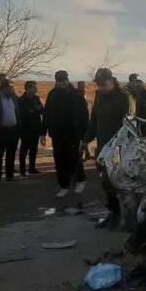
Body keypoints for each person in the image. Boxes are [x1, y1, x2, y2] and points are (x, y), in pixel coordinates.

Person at [84, 68, 129, 229]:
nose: (101, 87)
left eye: (103, 84)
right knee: (105, 182)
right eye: (98, 84)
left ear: (112, 80)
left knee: (116, 182)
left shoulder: (122, 96)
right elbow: (94, 120)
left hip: (117, 148)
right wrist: (86, 140)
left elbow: (127, 125)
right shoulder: (99, 96)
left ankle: (123, 217)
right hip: (102, 147)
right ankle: (112, 213)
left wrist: (120, 145)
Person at [44, 70, 89, 198]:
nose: (62, 83)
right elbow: (47, 114)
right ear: (56, 81)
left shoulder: (76, 94)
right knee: (59, 159)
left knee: (74, 158)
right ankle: (63, 186)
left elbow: (84, 115)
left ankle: (80, 180)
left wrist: (85, 134)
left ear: (67, 80)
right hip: (57, 133)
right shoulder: (52, 95)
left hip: (73, 133)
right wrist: (43, 132)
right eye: (59, 81)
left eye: (64, 80)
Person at [0, 79, 21, 181]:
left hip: (13, 131)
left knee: (11, 153)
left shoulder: (14, 98)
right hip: (0, 131)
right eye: (11, 88)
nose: (13, 90)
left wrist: (19, 127)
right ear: (4, 88)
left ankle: (10, 175)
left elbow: (17, 114)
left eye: (13, 88)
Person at [18, 81, 45, 176]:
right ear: (28, 88)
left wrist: (33, 109)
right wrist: (34, 109)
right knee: (24, 150)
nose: (36, 89)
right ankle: (22, 169)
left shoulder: (36, 98)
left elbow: (42, 110)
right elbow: (23, 113)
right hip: (25, 129)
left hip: (35, 128)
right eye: (34, 88)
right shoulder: (21, 100)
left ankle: (32, 168)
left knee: (34, 149)